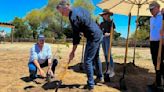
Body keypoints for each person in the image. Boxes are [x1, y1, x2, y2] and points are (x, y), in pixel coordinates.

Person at [56, 0, 103, 90]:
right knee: (96, 57)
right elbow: (87, 19)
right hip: (99, 33)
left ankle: (90, 85)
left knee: (87, 61)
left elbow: (76, 37)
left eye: (62, 12)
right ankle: (100, 77)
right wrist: (84, 30)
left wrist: (73, 52)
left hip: (93, 36)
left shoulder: (73, 17)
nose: (62, 14)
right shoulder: (80, 9)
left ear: (66, 6)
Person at [148, 1, 164, 90]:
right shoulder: (151, 19)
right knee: (155, 63)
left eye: (152, 8)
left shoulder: (162, 17)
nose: (151, 10)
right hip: (152, 43)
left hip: (161, 43)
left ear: (158, 7)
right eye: (150, 9)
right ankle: (157, 83)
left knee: (160, 63)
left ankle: (160, 83)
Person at [99, 9, 116, 78]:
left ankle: (112, 70)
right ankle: (107, 69)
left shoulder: (111, 23)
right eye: (103, 15)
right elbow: (100, 31)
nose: (104, 16)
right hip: (103, 38)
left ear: (109, 15)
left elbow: (113, 32)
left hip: (108, 39)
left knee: (109, 54)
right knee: (105, 54)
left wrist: (109, 34)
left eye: (106, 14)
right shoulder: (102, 24)